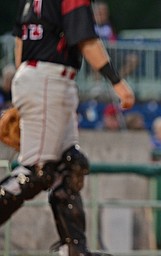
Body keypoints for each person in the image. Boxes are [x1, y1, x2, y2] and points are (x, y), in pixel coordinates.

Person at [0, 1, 134, 256]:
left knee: (70, 165)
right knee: (37, 171)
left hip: (38, 76)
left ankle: (74, 249)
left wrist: (24, 89)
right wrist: (117, 82)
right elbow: (86, 40)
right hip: (50, 78)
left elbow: (20, 42)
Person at [92, 1, 139, 78]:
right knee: (94, 57)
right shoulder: (89, 26)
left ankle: (116, 80)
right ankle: (97, 85)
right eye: (100, 12)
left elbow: (115, 39)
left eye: (105, 12)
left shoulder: (112, 24)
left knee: (133, 59)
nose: (103, 15)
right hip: (97, 53)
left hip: (113, 52)